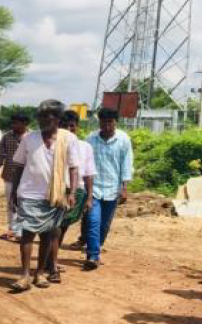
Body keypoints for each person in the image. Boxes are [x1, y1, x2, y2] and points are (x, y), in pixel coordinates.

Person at [9, 100, 79, 292]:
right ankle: (25, 275)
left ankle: (39, 273)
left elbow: (74, 168)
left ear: (57, 119)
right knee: (27, 234)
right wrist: (14, 192)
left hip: (55, 195)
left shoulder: (69, 138)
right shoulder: (29, 139)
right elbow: (19, 166)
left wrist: (72, 192)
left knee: (48, 235)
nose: (41, 122)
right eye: (39, 117)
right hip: (29, 193)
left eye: (46, 118)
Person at [45, 110, 97, 282]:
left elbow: (89, 173)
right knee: (55, 227)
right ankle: (51, 263)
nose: (68, 129)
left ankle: (50, 260)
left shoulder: (85, 147)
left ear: (77, 127)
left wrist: (89, 197)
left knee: (63, 227)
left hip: (77, 191)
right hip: (56, 189)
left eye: (72, 126)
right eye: (64, 126)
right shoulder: (51, 144)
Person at [84, 107, 133, 270]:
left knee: (104, 225)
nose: (106, 126)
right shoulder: (90, 140)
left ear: (116, 122)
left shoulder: (123, 140)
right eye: (103, 122)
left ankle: (96, 247)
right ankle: (92, 255)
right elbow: (84, 164)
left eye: (110, 122)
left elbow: (126, 164)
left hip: (113, 189)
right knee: (93, 221)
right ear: (99, 122)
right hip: (94, 189)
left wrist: (124, 187)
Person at [0, 113, 30, 241]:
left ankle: (23, 232)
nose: (13, 125)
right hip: (10, 176)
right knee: (11, 203)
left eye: (16, 123)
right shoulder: (7, 137)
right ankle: (13, 230)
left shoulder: (32, 137)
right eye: (12, 122)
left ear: (25, 124)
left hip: (28, 178)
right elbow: (0, 156)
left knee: (26, 204)